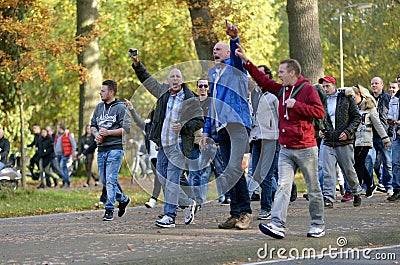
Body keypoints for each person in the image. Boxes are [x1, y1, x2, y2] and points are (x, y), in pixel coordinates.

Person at [236, 45, 325, 238]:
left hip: (306, 148)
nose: (279, 75)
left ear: (292, 73)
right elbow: (263, 80)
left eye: (282, 72)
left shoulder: (308, 89)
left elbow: (319, 112)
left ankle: (318, 224)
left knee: (313, 188)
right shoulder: (282, 90)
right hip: (285, 148)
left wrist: (298, 106)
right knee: (283, 186)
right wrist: (246, 60)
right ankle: (277, 224)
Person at [130, 51, 203, 228]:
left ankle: (169, 216)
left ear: (183, 80)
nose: (175, 79)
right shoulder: (162, 93)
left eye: (178, 76)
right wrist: (137, 64)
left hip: (178, 146)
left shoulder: (190, 97)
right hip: (163, 145)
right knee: (163, 180)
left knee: (171, 180)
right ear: (168, 81)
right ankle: (187, 203)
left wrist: (185, 127)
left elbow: (200, 119)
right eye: (172, 77)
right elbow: (147, 80)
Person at [198, 21, 253, 230]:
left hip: (238, 124)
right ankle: (235, 213)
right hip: (221, 127)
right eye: (213, 50)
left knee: (234, 167)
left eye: (218, 49)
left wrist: (233, 38)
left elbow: (239, 57)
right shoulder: (213, 75)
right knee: (228, 173)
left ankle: (246, 212)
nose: (214, 51)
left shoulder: (235, 67)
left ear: (228, 52)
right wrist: (206, 131)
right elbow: (213, 105)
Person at [90, 80, 131, 221]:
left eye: (103, 91)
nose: (100, 93)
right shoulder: (99, 107)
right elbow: (93, 125)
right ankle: (123, 199)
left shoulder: (120, 108)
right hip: (101, 149)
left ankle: (109, 208)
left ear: (111, 92)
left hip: (116, 148)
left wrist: (108, 133)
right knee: (104, 179)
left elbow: (126, 129)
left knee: (111, 179)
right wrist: (96, 134)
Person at [318, 76, 362, 209]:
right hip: (328, 141)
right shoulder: (321, 100)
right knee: (327, 171)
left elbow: (356, 117)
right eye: (323, 86)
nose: (325, 89)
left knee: (348, 170)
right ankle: (329, 198)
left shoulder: (346, 98)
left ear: (334, 85)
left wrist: (348, 132)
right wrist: (319, 131)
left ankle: (356, 192)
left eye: (327, 86)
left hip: (344, 141)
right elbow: (317, 119)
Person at [246, 65, 279, 220]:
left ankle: (266, 207)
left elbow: (281, 117)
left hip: (271, 138)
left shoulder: (274, 95)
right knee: (258, 174)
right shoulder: (253, 94)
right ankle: (282, 193)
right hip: (256, 138)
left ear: (267, 75)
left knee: (266, 175)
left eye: (261, 74)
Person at [345, 85, 390, 198]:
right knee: (356, 163)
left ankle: (359, 186)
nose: (351, 99)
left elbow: (377, 124)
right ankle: (370, 184)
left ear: (359, 94)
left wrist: (385, 138)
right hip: (355, 140)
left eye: (353, 97)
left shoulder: (370, 107)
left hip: (365, 140)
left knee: (359, 162)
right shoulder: (353, 108)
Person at [124, 99, 161, 208]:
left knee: (162, 179)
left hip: (165, 155)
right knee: (160, 178)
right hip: (153, 157)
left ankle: (154, 199)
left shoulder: (165, 125)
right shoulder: (148, 126)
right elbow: (137, 121)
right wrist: (131, 109)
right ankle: (173, 202)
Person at [369, 77, 393, 197]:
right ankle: (374, 184)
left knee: (388, 163)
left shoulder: (388, 99)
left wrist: (390, 133)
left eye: (376, 83)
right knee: (372, 161)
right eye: (372, 84)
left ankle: (389, 186)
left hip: (385, 136)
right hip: (371, 136)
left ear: (382, 85)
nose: (374, 86)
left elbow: (392, 115)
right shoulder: (368, 99)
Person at [387, 79, 400, 201]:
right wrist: (393, 121)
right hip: (397, 134)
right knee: (395, 162)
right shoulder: (395, 98)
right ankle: (397, 189)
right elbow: (390, 117)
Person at [54, 124, 77, 188]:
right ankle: (65, 181)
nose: (57, 129)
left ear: (61, 128)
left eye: (58, 128)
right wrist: (55, 151)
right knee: (61, 168)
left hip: (65, 153)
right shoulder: (57, 135)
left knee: (63, 166)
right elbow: (55, 143)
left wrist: (73, 153)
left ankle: (66, 182)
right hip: (58, 154)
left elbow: (73, 144)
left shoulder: (67, 134)